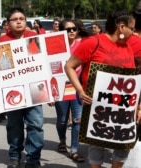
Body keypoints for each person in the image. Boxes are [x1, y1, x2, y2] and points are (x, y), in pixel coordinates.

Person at [65, 10, 138, 168]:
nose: (134, 33)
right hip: (97, 105)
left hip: (122, 109)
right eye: (132, 29)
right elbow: (69, 66)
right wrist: (80, 90)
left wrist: (137, 106)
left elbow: (133, 80)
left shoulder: (128, 48)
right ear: (121, 27)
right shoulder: (93, 42)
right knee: (96, 144)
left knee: (122, 144)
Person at [0, 7, 44, 168]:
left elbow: (40, 64)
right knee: (14, 125)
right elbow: (0, 69)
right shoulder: (3, 41)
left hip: (35, 88)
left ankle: (33, 157)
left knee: (36, 124)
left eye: (22, 18)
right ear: (8, 23)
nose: (18, 21)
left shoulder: (34, 37)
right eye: (15, 19)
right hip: (12, 89)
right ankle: (14, 155)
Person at [53, 19, 84, 162]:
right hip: (61, 89)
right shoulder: (55, 47)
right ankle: (62, 141)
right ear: (61, 31)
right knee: (62, 121)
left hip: (78, 89)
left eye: (74, 28)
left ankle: (74, 149)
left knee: (77, 120)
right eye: (67, 29)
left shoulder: (83, 44)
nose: (71, 31)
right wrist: (50, 93)